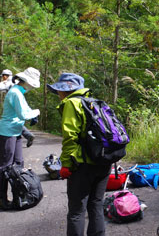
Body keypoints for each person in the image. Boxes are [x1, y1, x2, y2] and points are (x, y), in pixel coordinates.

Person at [48, 73, 111, 236]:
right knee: (96, 205)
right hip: (104, 160)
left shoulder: (71, 103)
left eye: (59, 90)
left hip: (83, 164)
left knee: (77, 211)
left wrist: (66, 165)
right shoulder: (94, 102)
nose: (58, 94)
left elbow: (70, 137)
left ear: (66, 90)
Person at [0, 67, 40, 209]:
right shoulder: (15, 92)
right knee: (5, 167)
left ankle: (20, 196)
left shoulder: (19, 92)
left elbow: (27, 110)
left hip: (16, 132)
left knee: (18, 164)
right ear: (27, 81)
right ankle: (2, 200)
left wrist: (33, 113)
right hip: (7, 132)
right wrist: (38, 112)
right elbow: (24, 114)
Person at [0, 69, 36, 148]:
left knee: (12, 120)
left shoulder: (8, 83)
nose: (3, 78)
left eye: (3, 76)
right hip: (12, 106)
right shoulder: (16, 83)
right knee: (15, 120)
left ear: (5, 76)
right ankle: (28, 135)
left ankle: (28, 135)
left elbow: (22, 115)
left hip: (11, 107)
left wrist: (35, 113)